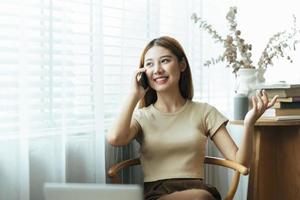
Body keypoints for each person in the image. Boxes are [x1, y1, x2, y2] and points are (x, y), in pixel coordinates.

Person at [106, 36, 277, 200]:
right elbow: (115, 138)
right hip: (158, 194)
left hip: (198, 191)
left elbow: (241, 161)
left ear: (181, 65)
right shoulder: (142, 116)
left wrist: (248, 123)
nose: (157, 69)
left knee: (200, 196)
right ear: (144, 73)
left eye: (165, 61)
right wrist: (134, 95)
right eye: (149, 64)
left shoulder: (204, 112)